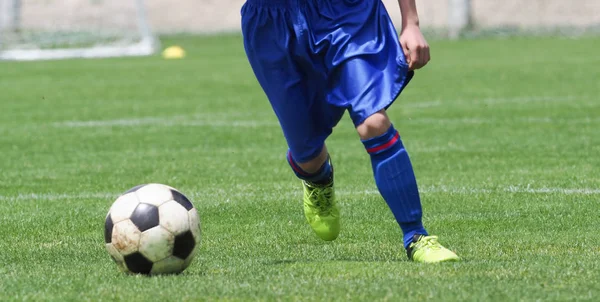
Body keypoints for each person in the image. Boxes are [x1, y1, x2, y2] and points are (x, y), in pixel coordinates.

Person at [241, 0, 459, 263]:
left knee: (373, 122)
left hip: (345, 13)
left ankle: (416, 237)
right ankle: (318, 179)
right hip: (273, 21)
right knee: (307, 156)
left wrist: (411, 22)